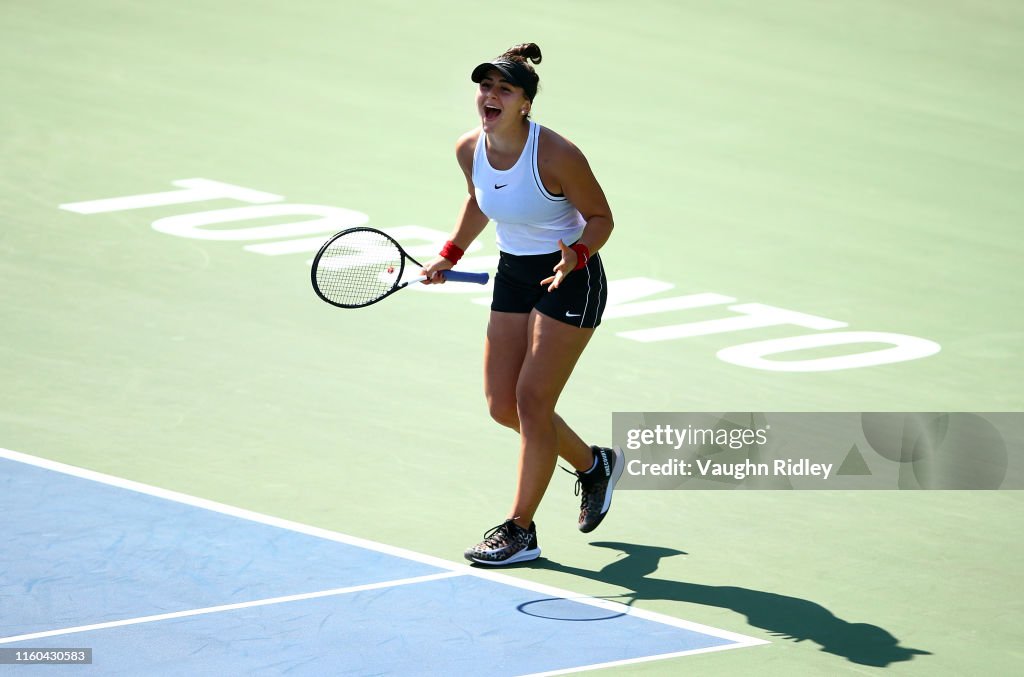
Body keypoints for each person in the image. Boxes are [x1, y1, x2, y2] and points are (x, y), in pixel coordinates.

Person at [421, 43, 623, 566]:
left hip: (570, 277)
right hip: (513, 274)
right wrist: (449, 254)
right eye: (485, 86)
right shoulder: (470, 148)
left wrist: (576, 255)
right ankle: (593, 464)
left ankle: (519, 530)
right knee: (502, 406)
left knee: (533, 401)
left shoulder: (557, 155)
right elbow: (478, 199)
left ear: (525, 104)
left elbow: (601, 218)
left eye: (503, 89)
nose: (489, 96)